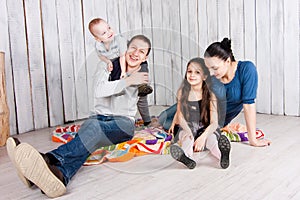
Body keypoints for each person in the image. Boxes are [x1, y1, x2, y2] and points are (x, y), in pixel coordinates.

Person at [6, 35, 152, 198]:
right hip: (99, 117)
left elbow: (142, 101)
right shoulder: (108, 66)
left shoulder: (143, 76)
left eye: (141, 51)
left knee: (96, 129)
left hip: (123, 124)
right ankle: (59, 175)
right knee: (87, 136)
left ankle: (48, 158)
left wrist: (147, 121)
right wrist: (128, 81)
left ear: (145, 57)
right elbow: (99, 91)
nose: (135, 53)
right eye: (133, 48)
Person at [159, 38, 271, 147]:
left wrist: (253, 140)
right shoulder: (211, 78)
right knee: (163, 119)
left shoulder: (246, 70)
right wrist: (178, 115)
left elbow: (248, 105)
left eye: (215, 68)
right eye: (208, 69)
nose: (211, 73)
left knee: (178, 127)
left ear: (227, 61)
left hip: (210, 120)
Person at [168, 58, 231, 169]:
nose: (192, 75)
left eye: (197, 72)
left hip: (206, 129)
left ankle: (223, 156)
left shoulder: (210, 95)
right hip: (189, 127)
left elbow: (214, 122)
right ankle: (187, 158)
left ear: (204, 77)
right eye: (189, 71)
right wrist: (188, 131)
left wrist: (202, 138)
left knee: (212, 139)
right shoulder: (182, 92)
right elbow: (180, 116)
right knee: (187, 138)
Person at [88, 18, 153, 97]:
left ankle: (143, 85)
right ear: (98, 39)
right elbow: (101, 56)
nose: (109, 33)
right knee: (114, 71)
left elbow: (123, 56)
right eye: (104, 33)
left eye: (109, 28)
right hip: (117, 60)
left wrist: (123, 72)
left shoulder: (119, 40)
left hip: (125, 55)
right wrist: (108, 61)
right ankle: (119, 90)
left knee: (142, 63)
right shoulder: (99, 46)